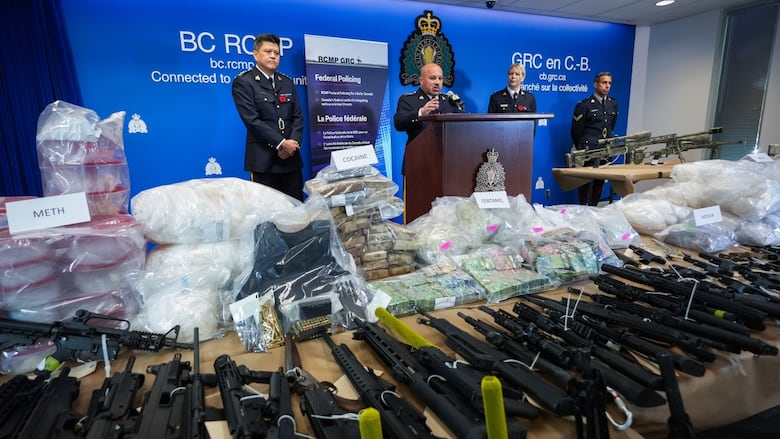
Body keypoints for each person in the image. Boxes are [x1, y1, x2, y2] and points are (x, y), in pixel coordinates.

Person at [232, 33, 304, 201]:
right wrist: (281, 143)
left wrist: (292, 144)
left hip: (290, 159)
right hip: (264, 161)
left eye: (277, 53)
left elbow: (298, 117)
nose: (273, 56)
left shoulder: (286, 82)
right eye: (268, 51)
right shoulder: (244, 82)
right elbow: (252, 120)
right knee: (267, 215)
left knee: (296, 212)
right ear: (256, 54)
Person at [393, 63, 464, 175]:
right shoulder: (408, 100)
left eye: (440, 78)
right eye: (432, 78)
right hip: (418, 163)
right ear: (421, 80)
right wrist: (421, 112)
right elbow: (399, 123)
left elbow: (461, 127)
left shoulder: (448, 101)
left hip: (448, 163)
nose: (437, 82)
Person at [570, 71, 618, 206]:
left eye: (609, 83)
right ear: (596, 84)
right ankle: (583, 208)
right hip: (588, 150)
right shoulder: (584, 105)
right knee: (585, 182)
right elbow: (576, 131)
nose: (607, 86)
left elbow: (611, 126)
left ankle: (594, 208)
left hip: (604, 149)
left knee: (599, 182)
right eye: (604, 83)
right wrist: (582, 147)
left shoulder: (613, 104)